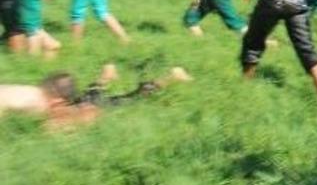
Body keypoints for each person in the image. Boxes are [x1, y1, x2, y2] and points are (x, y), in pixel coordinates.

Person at [0, 63, 192, 131]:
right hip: (82, 104)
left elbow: (53, 126)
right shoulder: (35, 96)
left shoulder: (38, 100)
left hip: (90, 106)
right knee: (93, 95)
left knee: (134, 98)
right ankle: (106, 73)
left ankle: (172, 77)